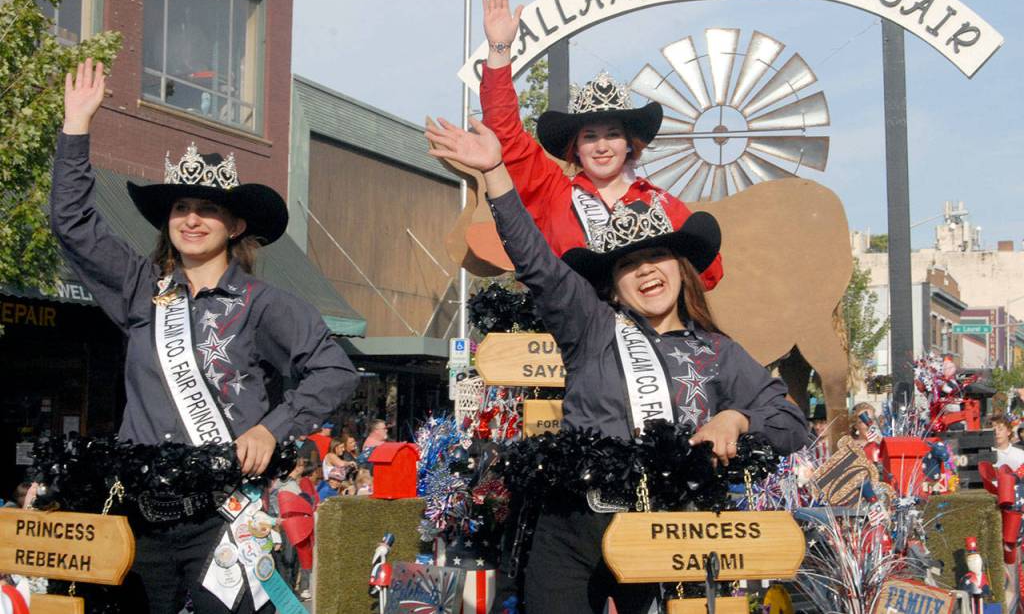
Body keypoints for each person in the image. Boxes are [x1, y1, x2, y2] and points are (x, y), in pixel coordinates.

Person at [425, 116, 807, 614]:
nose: (646, 269)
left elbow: (791, 423)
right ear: (613, 286)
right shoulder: (591, 327)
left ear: (680, 268)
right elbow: (536, 260)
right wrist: (496, 172)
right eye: (628, 264)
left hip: (668, 534)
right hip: (574, 531)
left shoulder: (719, 351)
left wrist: (736, 418)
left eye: (659, 256)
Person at [53, 59, 359, 614]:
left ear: (235, 225)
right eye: (181, 207)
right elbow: (74, 225)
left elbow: (335, 369)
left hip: (225, 518)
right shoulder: (141, 289)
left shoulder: (264, 305)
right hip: (140, 516)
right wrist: (76, 129)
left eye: (208, 209)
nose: (191, 219)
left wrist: (273, 428)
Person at [479, 0, 724, 291]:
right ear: (576, 149)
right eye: (590, 137)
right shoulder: (553, 194)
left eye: (613, 135)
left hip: (644, 335)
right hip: (576, 333)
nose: (602, 146)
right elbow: (506, 135)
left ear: (628, 145)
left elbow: (708, 270)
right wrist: (499, 49)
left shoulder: (660, 203)